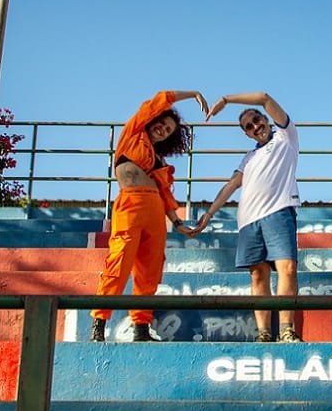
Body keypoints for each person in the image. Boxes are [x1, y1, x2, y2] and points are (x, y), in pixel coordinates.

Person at [90, 90, 208, 342]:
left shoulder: (161, 161)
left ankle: (141, 329)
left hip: (155, 212)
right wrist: (192, 94)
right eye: (162, 125)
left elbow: (166, 196)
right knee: (119, 260)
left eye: (168, 130)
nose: (163, 130)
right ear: (153, 120)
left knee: (150, 270)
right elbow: (158, 99)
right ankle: (99, 324)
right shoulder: (132, 135)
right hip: (130, 205)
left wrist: (178, 222)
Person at [192, 92, 302, 343]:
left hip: (279, 211)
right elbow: (231, 186)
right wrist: (209, 214)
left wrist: (227, 100)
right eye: (249, 127)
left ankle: (286, 330)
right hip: (249, 220)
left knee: (287, 268)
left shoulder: (286, 136)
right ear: (247, 134)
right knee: (257, 275)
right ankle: (264, 333)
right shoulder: (249, 157)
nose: (255, 127)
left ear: (266, 118)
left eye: (256, 120)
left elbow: (264, 97)